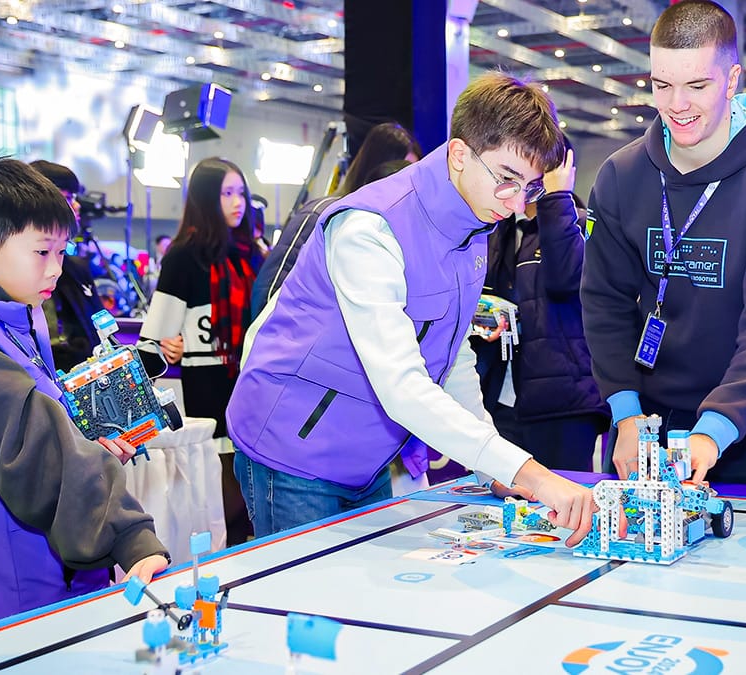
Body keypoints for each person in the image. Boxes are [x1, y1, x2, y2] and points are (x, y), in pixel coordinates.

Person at [227, 72, 597, 544]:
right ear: (459, 154)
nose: (514, 203)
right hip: (291, 450)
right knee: (307, 590)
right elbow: (401, 384)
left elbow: (452, 355)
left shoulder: (473, 227)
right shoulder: (370, 227)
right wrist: (531, 473)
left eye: (529, 187)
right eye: (506, 179)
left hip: (366, 458)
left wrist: (495, 466)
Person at [0, 158, 168, 640]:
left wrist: (87, 444)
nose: (56, 269)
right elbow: (39, 452)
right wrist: (130, 536)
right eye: (42, 251)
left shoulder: (1, 313)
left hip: (17, 579)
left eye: (62, 252)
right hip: (1, 594)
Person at [581, 0, 746, 486]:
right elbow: (604, 301)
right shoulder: (622, 175)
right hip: (638, 424)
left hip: (736, 430)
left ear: (731, 81)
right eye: (662, 85)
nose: (677, 105)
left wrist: (713, 432)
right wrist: (625, 412)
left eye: (697, 86)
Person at [139, 157, 262, 547]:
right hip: (209, 400)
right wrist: (168, 347)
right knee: (224, 511)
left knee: (252, 511)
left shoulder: (253, 253)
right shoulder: (184, 256)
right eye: (226, 193)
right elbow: (152, 343)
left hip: (254, 394)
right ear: (207, 198)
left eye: (240, 192)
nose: (237, 202)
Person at [472, 139, 610, 471]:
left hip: (564, 401)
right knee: (504, 498)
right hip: (503, 397)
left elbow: (565, 281)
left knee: (565, 497)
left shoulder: (579, 223)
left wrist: (557, 197)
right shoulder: (501, 227)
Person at [250, 121, 423, 317]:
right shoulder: (321, 214)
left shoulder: (397, 233)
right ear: (376, 169)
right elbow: (270, 291)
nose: (407, 187)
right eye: (400, 172)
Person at [29, 160, 104, 371]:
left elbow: (100, 329)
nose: (77, 206)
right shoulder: (18, 270)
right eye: (69, 198)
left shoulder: (77, 269)